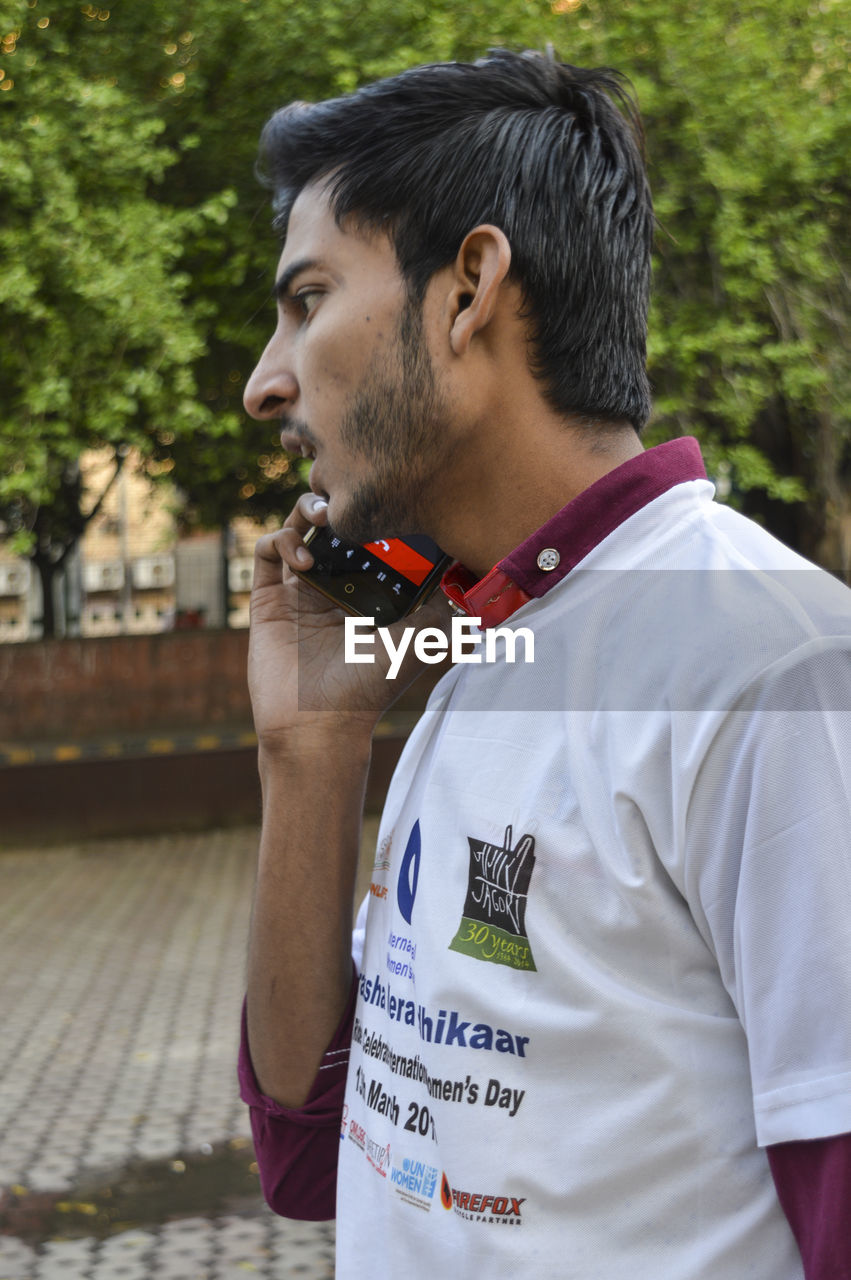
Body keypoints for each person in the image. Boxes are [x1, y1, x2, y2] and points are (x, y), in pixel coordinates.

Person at [237, 49, 851, 1278]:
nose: (266, 381)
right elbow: (311, 1156)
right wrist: (309, 755)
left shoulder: (774, 669)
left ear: (467, 287)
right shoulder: (487, 644)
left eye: (306, 300)